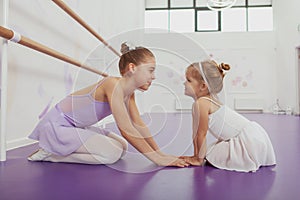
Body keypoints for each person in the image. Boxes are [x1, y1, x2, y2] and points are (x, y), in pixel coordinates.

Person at [28, 42, 189, 167]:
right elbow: (126, 129)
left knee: (122, 146)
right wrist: (157, 160)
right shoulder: (112, 85)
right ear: (132, 68)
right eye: (151, 70)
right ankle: (53, 155)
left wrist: (161, 154)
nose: (153, 77)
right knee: (111, 154)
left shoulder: (129, 93)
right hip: (57, 126)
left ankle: (56, 150)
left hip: (76, 127)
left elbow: (138, 124)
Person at [181, 60, 276, 172]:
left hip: (247, 142)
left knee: (211, 155)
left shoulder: (202, 103)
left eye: (188, 80)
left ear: (203, 86)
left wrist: (199, 159)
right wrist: (196, 156)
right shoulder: (202, 102)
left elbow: (201, 135)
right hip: (254, 138)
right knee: (210, 153)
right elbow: (196, 134)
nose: (184, 83)